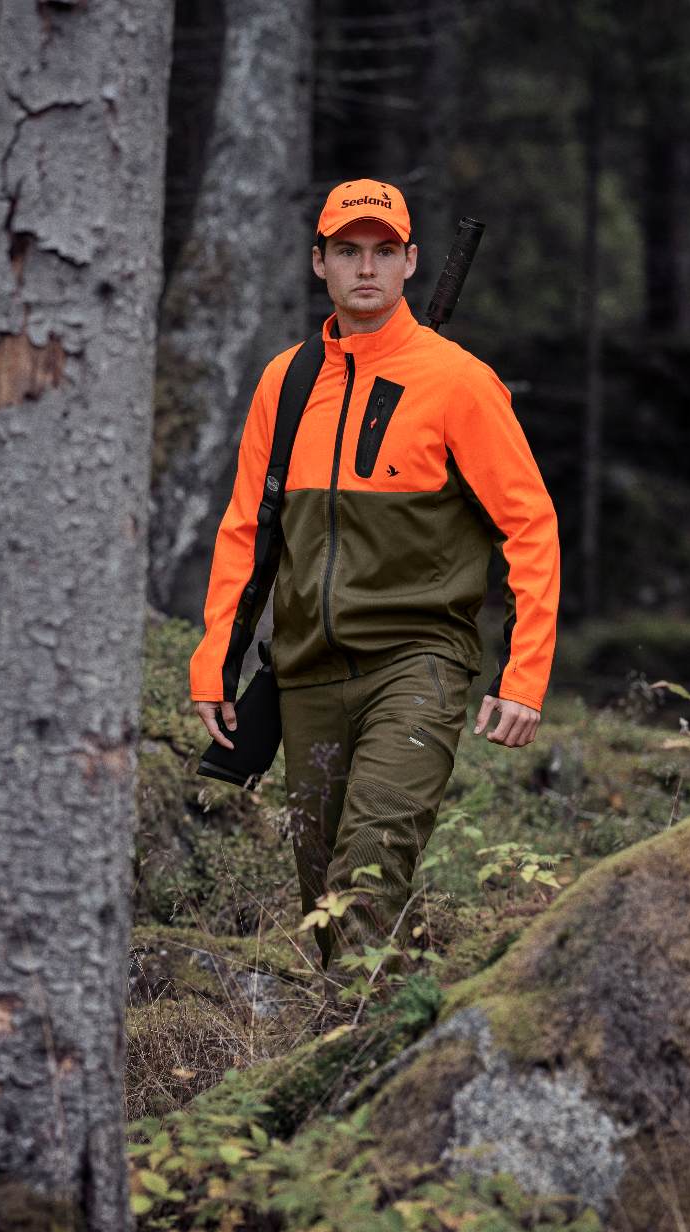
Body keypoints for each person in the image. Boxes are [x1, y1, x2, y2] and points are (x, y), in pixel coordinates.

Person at [189, 178, 561, 981]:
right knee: (324, 896)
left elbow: (530, 524)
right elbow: (246, 531)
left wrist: (523, 676)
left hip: (417, 661)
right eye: (349, 252)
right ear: (318, 262)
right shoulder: (285, 382)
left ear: (410, 263)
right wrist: (216, 660)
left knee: (362, 875)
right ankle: (396, 1026)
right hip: (305, 673)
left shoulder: (459, 381)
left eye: (384, 252)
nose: (367, 268)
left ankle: (350, 1070)